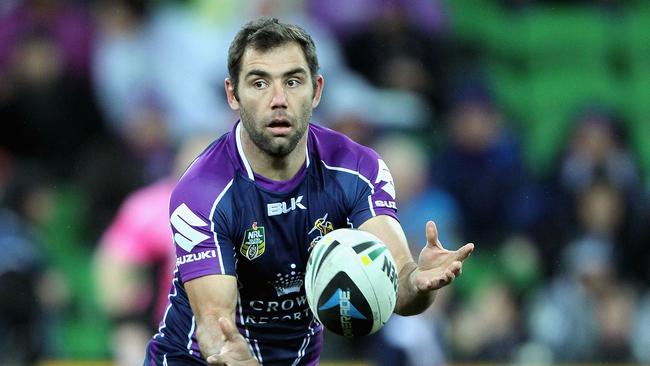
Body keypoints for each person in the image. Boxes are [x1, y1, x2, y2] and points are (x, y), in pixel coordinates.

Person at [144, 17, 473, 366]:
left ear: (316, 90)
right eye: (259, 83)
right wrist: (229, 351)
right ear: (233, 95)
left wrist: (419, 284)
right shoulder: (203, 191)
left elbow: (402, 288)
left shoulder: (357, 170)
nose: (278, 99)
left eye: (293, 81)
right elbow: (214, 324)